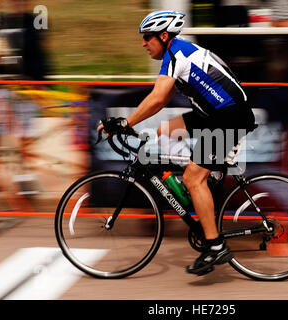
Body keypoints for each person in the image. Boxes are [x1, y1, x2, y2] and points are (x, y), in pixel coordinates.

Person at [97, 10, 256, 276]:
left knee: (194, 178)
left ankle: (215, 245)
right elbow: (162, 97)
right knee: (165, 130)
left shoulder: (176, 55)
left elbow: (157, 98)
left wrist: (125, 124)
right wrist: (131, 124)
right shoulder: (177, 54)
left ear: (163, 36)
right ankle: (204, 180)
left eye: (147, 37)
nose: (143, 43)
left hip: (229, 117)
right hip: (214, 113)